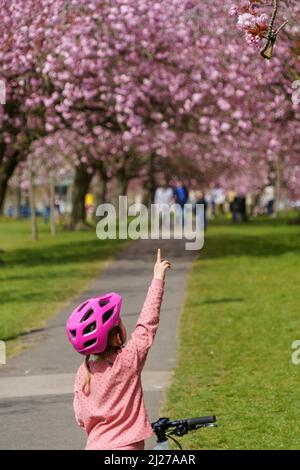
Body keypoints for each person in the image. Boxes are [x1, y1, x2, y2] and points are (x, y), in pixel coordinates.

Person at [67, 250, 171, 451]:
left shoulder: (84, 373)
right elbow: (147, 324)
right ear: (117, 336)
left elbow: (81, 417)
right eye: (120, 322)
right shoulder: (128, 360)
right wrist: (158, 278)